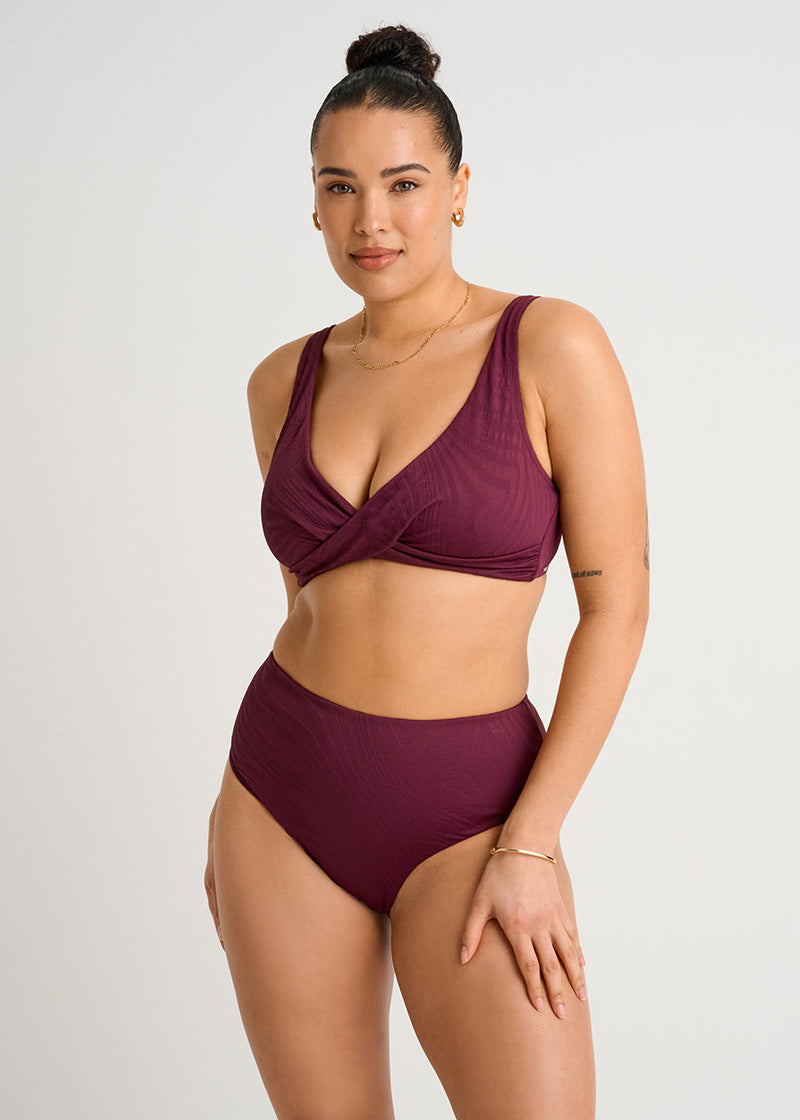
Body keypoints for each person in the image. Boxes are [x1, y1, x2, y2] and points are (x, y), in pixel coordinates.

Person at [204, 24, 648, 1120]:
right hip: (281, 797)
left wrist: (530, 844)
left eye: (403, 184)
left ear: (457, 191)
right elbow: (311, 598)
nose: (372, 220)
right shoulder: (280, 382)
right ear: (313, 203)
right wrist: (236, 820)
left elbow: (617, 609)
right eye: (340, 187)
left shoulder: (549, 346)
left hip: (474, 812)